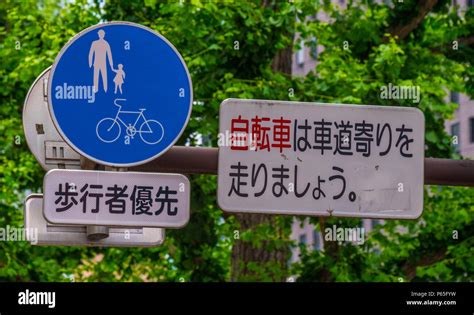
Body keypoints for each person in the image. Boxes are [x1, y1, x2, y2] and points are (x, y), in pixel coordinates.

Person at [88, 29, 114, 93]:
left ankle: (105, 89)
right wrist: (90, 63)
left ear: (104, 35)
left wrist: (111, 65)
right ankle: (96, 89)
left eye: (102, 34)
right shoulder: (94, 43)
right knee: (96, 76)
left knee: (104, 76)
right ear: (98, 35)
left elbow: (109, 55)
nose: (101, 35)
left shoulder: (106, 44)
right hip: (96, 63)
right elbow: (91, 53)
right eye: (100, 34)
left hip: (103, 63)